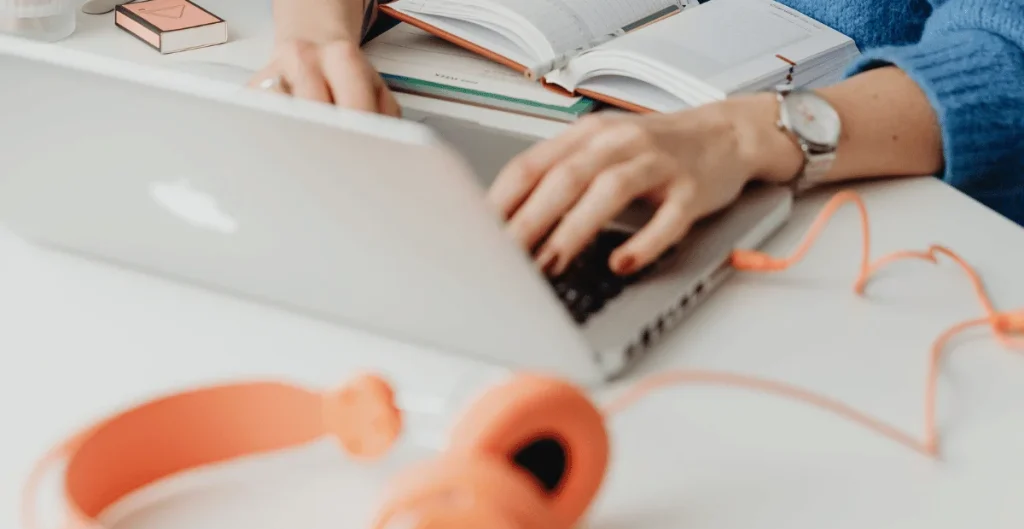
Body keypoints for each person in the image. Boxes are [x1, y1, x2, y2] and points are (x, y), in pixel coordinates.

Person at [255, 0, 1024, 276]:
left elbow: (1006, 57)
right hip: (488, 118)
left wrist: (749, 131)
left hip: (853, 204)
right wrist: (315, 33)